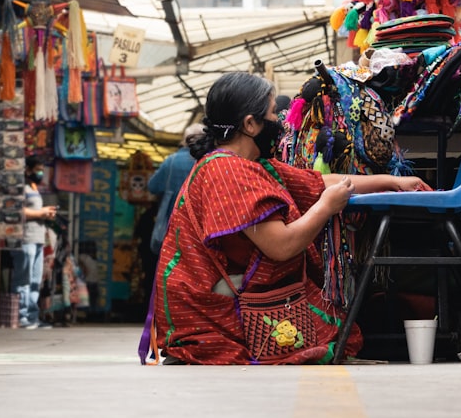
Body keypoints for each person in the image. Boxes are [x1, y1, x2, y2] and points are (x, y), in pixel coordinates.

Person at [142, 72, 429, 365]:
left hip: (220, 288)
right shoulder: (228, 171)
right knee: (334, 336)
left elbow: (318, 182)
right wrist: (325, 208)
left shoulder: (251, 165)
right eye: (271, 114)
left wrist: (391, 182)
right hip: (209, 305)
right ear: (250, 124)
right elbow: (281, 246)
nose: (279, 121)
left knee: (338, 331)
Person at [147, 123, 205, 256]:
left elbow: (152, 186)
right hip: (200, 231)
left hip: (172, 228)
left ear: (185, 140)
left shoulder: (171, 161)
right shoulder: (208, 162)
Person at [13, 157, 56, 329]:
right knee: (24, 277)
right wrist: (40, 213)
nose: (40, 173)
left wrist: (45, 214)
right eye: (37, 169)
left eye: (41, 169)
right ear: (28, 170)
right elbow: (16, 210)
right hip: (26, 237)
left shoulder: (34, 188)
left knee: (35, 280)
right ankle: (21, 315)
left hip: (38, 238)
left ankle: (32, 316)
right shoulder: (21, 187)